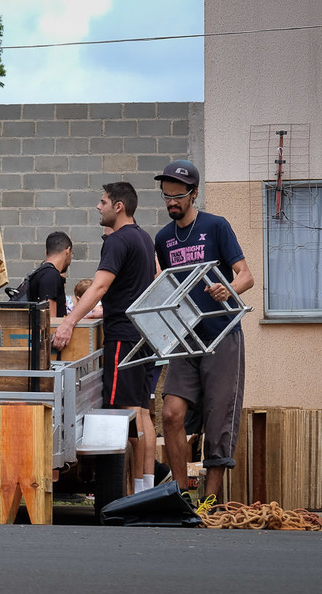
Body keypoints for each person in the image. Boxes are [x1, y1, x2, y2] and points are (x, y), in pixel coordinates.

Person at [152, 159, 253, 505]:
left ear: (194, 193)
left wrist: (229, 289)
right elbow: (167, 285)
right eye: (166, 195)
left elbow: (246, 275)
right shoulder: (163, 239)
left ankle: (208, 503)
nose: (171, 202)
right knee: (171, 413)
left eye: (178, 195)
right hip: (185, 338)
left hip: (222, 335)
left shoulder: (216, 226)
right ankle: (182, 493)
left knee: (218, 420)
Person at [54, 182, 157, 494]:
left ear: (119, 206)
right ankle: (144, 490)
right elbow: (152, 280)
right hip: (143, 335)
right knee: (140, 413)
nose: (98, 207)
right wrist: (108, 310)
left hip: (123, 340)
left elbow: (98, 286)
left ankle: (128, 493)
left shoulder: (116, 241)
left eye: (102, 202)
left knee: (120, 417)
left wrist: (69, 321)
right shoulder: (144, 238)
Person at [27, 231, 73, 322]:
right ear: (68, 251)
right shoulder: (50, 275)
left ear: (46, 252)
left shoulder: (41, 272)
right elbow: (49, 321)